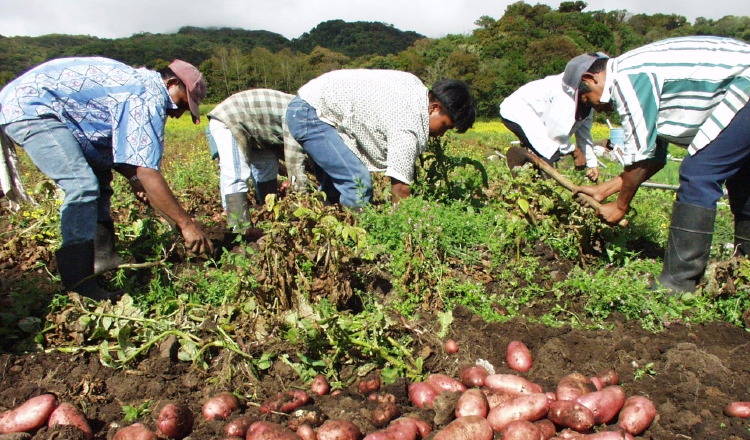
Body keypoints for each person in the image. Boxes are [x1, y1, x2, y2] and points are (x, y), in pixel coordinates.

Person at [0, 57, 214, 300]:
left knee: (99, 180)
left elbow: (121, 156)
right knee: (81, 186)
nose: (179, 113)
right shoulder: (146, 95)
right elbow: (146, 170)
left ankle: (102, 263)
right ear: (171, 83)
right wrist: (186, 224)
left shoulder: (138, 87)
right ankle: (79, 285)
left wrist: (133, 179)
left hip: (50, 111)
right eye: (182, 103)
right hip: (32, 108)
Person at [566, 36, 750, 292]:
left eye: (588, 101)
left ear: (590, 78)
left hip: (746, 85)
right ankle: (745, 275)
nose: (598, 109)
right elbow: (655, 158)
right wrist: (603, 190)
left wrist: (620, 206)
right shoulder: (636, 70)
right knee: (743, 180)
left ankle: (678, 283)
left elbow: (640, 157)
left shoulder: (627, 79)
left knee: (699, 174)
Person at [285, 69, 477, 207]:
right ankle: (356, 246)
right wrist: (403, 230)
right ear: (434, 107)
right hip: (310, 113)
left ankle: (333, 232)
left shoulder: (414, 87)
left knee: (335, 191)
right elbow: (400, 189)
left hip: (312, 105)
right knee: (357, 184)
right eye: (445, 126)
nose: (441, 134)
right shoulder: (408, 126)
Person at [205, 89, 308, 233]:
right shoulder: (300, 115)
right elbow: (294, 160)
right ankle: (239, 230)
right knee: (236, 173)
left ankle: (267, 210)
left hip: (257, 131)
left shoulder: (303, 110)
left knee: (269, 163)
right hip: (230, 119)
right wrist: (303, 199)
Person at [499, 56, 607, 182]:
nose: (602, 109)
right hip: (517, 111)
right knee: (550, 151)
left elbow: (584, 133)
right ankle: (545, 190)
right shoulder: (565, 96)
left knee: (547, 152)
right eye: (602, 103)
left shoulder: (587, 100)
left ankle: (532, 182)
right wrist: (575, 152)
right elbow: (556, 135)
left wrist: (592, 163)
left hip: (536, 117)